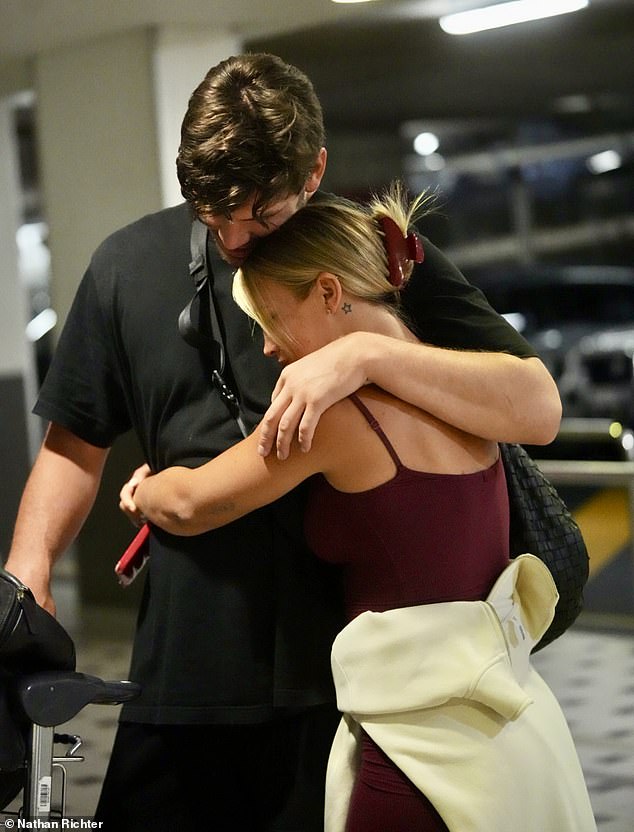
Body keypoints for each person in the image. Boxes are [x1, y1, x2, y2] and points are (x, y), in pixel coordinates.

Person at [4, 53, 561, 831]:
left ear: (315, 172)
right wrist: (25, 583)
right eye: (210, 213)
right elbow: (73, 447)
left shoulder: (371, 256)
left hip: (346, 693)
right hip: (184, 674)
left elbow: (536, 407)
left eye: (260, 217)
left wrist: (366, 354)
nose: (235, 239)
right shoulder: (126, 266)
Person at [119, 187, 595, 832]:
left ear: (325, 291)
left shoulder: (335, 417)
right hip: (509, 724)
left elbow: (192, 503)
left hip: (412, 750)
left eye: (270, 319)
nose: (265, 347)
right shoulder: (465, 393)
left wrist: (143, 488)